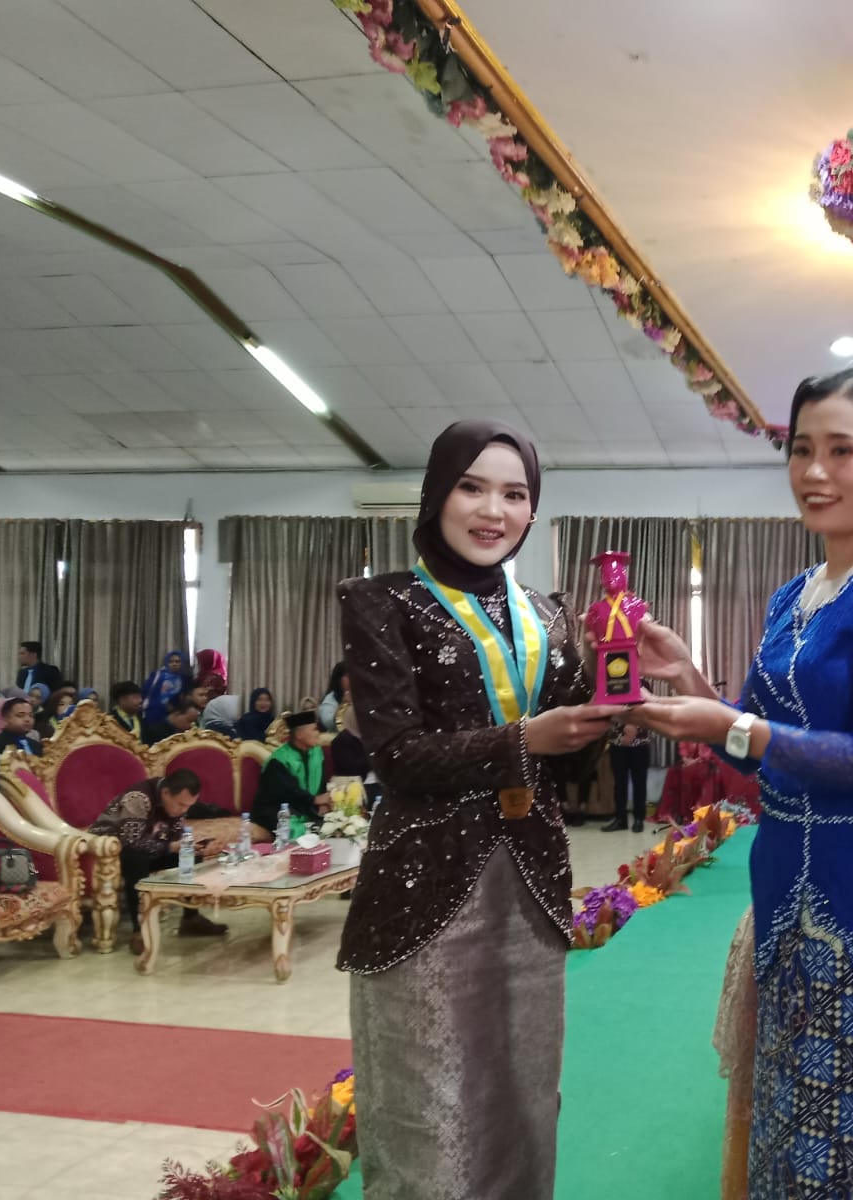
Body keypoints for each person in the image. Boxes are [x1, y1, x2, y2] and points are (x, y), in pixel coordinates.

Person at [631, 363, 853, 1197]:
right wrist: (692, 682)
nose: (814, 471)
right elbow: (761, 749)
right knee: (793, 1141)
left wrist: (730, 725)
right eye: (800, 450)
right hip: (791, 902)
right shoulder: (795, 595)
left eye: (841, 450)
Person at [338, 419, 618, 1199]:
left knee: (522, 1094)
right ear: (437, 493)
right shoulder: (382, 602)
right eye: (472, 487)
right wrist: (525, 738)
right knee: (429, 1105)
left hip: (529, 888)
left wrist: (615, 690)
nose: (494, 510)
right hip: (423, 890)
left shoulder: (548, 614)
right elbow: (396, 756)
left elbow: (576, 765)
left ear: (533, 509)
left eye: (515, 494)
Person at [88, 769, 229, 956]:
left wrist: (197, 845)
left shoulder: (174, 802)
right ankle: (139, 930)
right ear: (165, 793)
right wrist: (172, 846)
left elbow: (174, 835)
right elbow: (132, 842)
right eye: (181, 804)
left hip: (150, 847)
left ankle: (191, 918)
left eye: (188, 806)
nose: (184, 810)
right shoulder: (138, 798)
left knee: (190, 855)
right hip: (109, 851)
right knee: (136, 859)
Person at [253, 711, 331, 837]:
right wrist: (314, 800)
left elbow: (321, 781)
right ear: (299, 735)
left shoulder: (316, 752)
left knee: (335, 824)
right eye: (314, 729)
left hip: (306, 806)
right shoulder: (279, 760)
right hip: (279, 809)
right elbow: (287, 791)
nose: (318, 734)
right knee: (298, 830)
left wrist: (323, 802)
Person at [601, 717, 651, 833]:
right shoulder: (611, 702)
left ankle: (639, 819)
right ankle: (620, 819)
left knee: (639, 783)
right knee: (619, 783)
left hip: (640, 743)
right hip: (617, 743)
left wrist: (633, 727)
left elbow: (649, 713)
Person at [142, 650, 191, 725]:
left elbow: (185, 696)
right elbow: (146, 691)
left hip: (174, 714)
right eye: (170, 662)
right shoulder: (157, 675)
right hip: (154, 712)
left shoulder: (184, 679)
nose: (174, 664)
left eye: (177, 661)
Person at [318, 661, 349, 733]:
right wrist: (344, 705)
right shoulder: (330, 699)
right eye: (348, 676)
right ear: (338, 679)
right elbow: (328, 723)